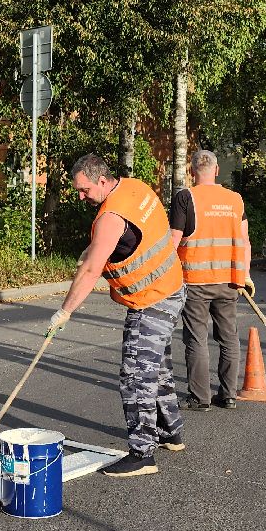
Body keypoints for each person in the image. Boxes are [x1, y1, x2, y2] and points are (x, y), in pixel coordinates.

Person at [49, 154, 186, 478]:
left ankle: (142, 454)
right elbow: (109, 248)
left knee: (135, 375)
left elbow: (92, 270)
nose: (81, 197)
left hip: (150, 300)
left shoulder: (111, 216)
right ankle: (171, 433)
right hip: (172, 287)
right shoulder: (135, 189)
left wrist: (64, 311)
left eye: (83, 190)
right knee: (157, 368)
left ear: (101, 180)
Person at [169, 150, 253, 410]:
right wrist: (245, 276)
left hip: (195, 280)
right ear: (217, 170)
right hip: (229, 280)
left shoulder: (186, 198)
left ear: (192, 171)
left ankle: (200, 397)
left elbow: (173, 241)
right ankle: (228, 395)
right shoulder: (235, 199)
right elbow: (245, 241)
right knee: (228, 338)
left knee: (197, 339)